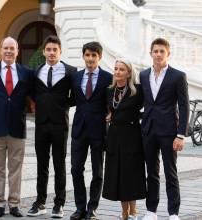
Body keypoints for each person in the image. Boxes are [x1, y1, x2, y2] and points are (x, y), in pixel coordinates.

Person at [0, 37, 34, 218]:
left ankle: (14, 203)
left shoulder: (27, 73)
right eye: (6, 48)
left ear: (17, 51)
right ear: (1, 49)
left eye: (12, 48)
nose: (9, 51)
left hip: (17, 127)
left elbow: (36, 97)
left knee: (16, 167)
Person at [27, 35, 77, 218]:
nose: (51, 53)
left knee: (59, 165)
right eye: (48, 49)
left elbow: (76, 95)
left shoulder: (70, 71)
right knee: (42, 165)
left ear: (60, 51)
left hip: (59, 125)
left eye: (55, 49)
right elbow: (33, 93)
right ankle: (40, 202)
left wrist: (63, 104)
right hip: (41, 125)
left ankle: (59, 203)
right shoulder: (36, 71)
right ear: (43, 52)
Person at [140, 38, 189, 220]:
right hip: (149, 131)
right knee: (151, 173)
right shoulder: (143, 75)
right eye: (155, 51)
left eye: (162, 51)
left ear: (168, 53)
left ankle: (173, 212)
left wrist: (180, 134)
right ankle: (151, 211)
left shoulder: (178, 76)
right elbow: (142, 102)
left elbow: (184, 106)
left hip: (169, 131)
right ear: (150, 53)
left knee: (170, 172)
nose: (158, 54)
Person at [69, 42, 112, 220]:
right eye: (87, 55)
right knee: (76, 169)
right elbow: (71, 100)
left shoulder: (108, 78)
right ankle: (80, 208)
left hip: (99, 130)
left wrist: (112, 114)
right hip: (79, 129)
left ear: (99, 57)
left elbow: (112, 102)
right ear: (84, 56)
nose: (90, 59)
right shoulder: (75, 77)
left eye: (94, 55)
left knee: (97, 171)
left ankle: (92, 208)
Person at [102, 59, 146, 220]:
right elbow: (109, 110)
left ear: (128, 73)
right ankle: (124, 212)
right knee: (117, 173)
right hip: (114, 136)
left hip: (132, 135)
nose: (117, 72)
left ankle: (133, 211)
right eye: (116, 69)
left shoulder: (138, 90)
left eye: (121, 69)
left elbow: (148, 110)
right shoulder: (109, 90)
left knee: (130, 173)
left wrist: (136, 117)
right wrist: (109, 115)